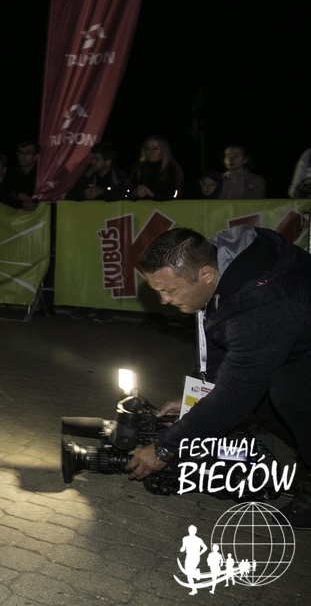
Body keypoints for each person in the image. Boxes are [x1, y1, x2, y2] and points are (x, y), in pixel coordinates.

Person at [126, 226, 311, 527]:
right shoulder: (224, 270)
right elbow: (218, 351)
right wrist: (193, 401)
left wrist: (166, 447)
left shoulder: (262, 299)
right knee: (261, 389)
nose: (163, 301)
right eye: (157, 290)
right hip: (297, 348)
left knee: (284, 390)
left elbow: (236, 392)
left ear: (206, 275)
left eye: (169, 290)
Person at [127, 135, 183, 201]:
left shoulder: (172, 168)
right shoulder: (138, 168)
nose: (151, 152)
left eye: (155, 148)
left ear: (163, 150)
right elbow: (128, 193)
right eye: (147, 149)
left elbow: (177, 194)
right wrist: (135, 193)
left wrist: (153, 195)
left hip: (167, 207)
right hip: (142, 207)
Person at [0, 140, 40, 210]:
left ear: (36, 156)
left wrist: (34, 200)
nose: (22, 156)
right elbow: (1, 195)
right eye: (20, 152)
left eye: (28, 153)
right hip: (18, 215)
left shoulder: (42, 174)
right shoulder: (13, 173)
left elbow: (49, 194)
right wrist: (20, 201)